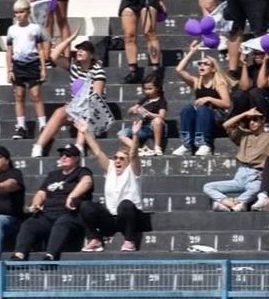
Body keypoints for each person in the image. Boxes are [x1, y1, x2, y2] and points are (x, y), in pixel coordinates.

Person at [31, 33, 110, 157]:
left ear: (91, 55)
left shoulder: (98, 71)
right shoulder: (74, 66)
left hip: (93, 112)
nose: (79, 51)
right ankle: (39, 146)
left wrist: (79, 106)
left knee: (86, 111)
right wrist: (70, 39)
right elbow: (54, 56)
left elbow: (96, 98)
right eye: (78, 49)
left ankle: (79, 146)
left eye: (83, 50)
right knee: (59, 112)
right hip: (76, 109)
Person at [11, 144, 93, 262]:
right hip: (47, 214)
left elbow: (87, 181)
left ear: (76, 158)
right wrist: (36, 204)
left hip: (70, 214)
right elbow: (41, 193)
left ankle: (50, 256)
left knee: (62, 223)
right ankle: (19, 255)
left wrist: (72, 196)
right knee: (29, 224)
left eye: (68, 155)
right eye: (61, 155)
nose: (63, 157)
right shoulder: (53, 175)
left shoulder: (82, 171)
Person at [78, 120, 148, 252]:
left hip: (131, 217)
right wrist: (85, 132)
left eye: (121, 158)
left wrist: (135, 135)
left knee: (125, 204)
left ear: (128, 161)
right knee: (86, 205)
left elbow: (134, 155)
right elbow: (98, 152)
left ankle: (129, 240)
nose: (117, 161)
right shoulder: (110, 168)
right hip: (111, 218)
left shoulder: (133, 170)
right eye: (115, 158)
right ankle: (94, 239)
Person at [203, 108, 269, 211]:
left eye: (255, 119)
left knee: (258, 188)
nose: (252, 122)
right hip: (240, 174)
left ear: (263, 120)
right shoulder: (244, 135)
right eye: (249, 120)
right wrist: (245, 113)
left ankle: (231, 204)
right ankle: (231, 204)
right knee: (208, 187)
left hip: (256, 175)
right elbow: (226, 125)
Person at [172, 43, 233, 156]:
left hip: (216, 117)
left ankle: (204, 144)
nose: (202, 66)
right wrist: (191, 52)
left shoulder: (219, 83)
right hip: (201, 115)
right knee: (188, 109)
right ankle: (187, 144)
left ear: (213, 69)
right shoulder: (197, 82)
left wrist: (209, 98)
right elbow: (179, 70)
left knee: (202, 109)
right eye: (200, 64)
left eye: (206, 64)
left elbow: (227, 103)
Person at [6, 0, 48, 139]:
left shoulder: (35, 28)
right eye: (16, 13)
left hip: (32, 64)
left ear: (28, 12)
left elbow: (40, 49)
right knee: (19, 96)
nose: (19, 15)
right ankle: (21, 126)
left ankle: (43, 125)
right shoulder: (12, 30)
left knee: (36, 95)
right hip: (18, 64)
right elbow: (9, 51)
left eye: (22, 12)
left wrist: (43, 68)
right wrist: (9, 70)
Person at [231, 40, 269, 121]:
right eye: (255, 53)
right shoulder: (252, 69)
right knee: (239, 94)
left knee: (256, 92)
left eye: (260, 53)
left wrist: (265, 62)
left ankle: (265, 122)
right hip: (256, 104)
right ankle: (242, 122)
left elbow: (261, 85)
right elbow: (244, 87)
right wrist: (244, 64)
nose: (257, 56)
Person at [121, 73, 167, 156]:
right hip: (142, 127)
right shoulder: (144, 100)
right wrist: (133, 110)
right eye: (145, 89)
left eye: (150, 89)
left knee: (157, 121)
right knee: (121, 134)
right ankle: (137, 149)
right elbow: (131, 110)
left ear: (157, 88)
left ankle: (157, 147)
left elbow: (162, 116)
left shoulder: (161, 101)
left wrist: (148, 113)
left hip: (153, 127)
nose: (147, 91)